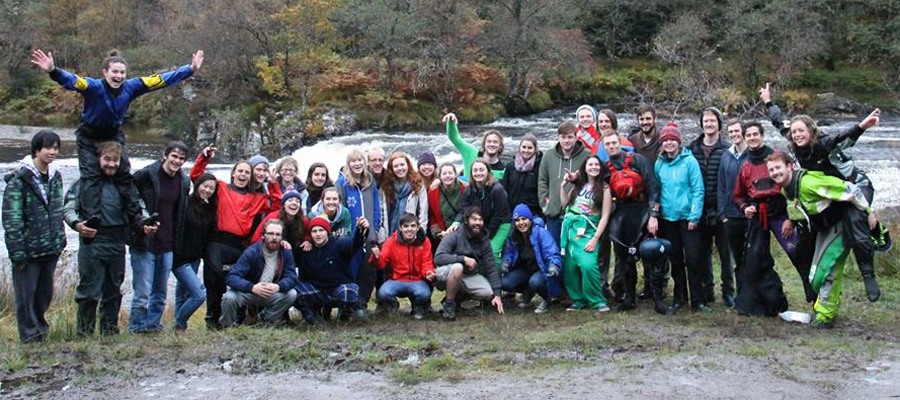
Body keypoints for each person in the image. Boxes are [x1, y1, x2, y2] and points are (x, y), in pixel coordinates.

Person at [31, 48, 202, 223]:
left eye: (122, 72)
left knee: (123, 174)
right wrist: (54, 71)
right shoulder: (93, 86)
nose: (118, 76)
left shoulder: (132, 86)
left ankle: (137, 217)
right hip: (89, 135)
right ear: (105, 72)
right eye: (114, 72)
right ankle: (92, 219)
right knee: (91, 176)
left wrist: (190, 69)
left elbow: (161, 80)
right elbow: (73, 81)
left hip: (113, 134)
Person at [761, 83, 882, 301]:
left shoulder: (823, 143)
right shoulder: (794, 142)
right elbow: (779, 121)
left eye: (802, 131)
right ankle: (811, 286)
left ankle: (868, 274)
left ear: (811, 131)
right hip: (832, 194)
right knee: (806, 236)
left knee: (854, 220)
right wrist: (768, 102)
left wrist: (863, 126)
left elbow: (842, 138)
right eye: (795, 132)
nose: (797, 134)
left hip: (856, 186)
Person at [768, 152, 878, 328]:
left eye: (778, 167)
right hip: (825, 228)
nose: (774, 172)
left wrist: (869, 212)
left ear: (789, 166)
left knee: (827, 271)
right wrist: (791, 220)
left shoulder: (808, 183)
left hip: (841, 225)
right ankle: (824, 310)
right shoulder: (786, 187)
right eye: (771, 170)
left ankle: (826, 316)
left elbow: (849, 189)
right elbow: (801, 206)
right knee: (815, 276)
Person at [65, 141, 155, 336]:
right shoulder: (84, 183)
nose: (111, 164)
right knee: (89, 292)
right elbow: (69, 208)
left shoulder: (125, 185)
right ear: (98, 159)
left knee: (113, 291)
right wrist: (77, 225)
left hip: (117, 242)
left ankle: (109, 333)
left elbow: (138, 207)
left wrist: (146, 222)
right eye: (107, 159)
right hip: (92, 242)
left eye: (115, 160)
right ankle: (84, 335)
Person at [189, 144, 282, 329]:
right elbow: (197, 177)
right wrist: (204, 157)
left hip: (238, 246)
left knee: (237, 281)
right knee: (214, 283)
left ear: (251, 177)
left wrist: (272, 183)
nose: (242, 175)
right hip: (216, 242)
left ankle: (235, 320)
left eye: (247, 173)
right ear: (233, 173)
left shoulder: (257, 198)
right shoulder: (221, 187)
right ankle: (212, 321)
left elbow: (277, 204)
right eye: (240, 171)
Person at [733, 122, 816, 309]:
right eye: (749, 135)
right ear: (745, 138)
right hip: (757, 216)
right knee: (755, 258)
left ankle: (816, 295)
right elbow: (738, 196)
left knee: (798, 254)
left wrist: (790, 218)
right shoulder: (745, 166)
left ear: (762, 136)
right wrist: (745, 207)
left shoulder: (775, 159)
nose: (752, 138)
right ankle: (761, 303)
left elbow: (791, 186)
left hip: (780, 213)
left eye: (756, 134)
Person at [2, 130, 66, 342]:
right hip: (28, 251)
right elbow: (12, 220)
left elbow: (58, 210)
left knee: (43, 296)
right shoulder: (19, 180)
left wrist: (60, 239)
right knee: (25, 298)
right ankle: (30, 339)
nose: (52, 152)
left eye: (55, 148)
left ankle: (41, 334)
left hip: (50, 247)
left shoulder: (56, 177)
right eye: (48, 147)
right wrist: (17, 252)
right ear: (36, 150)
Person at [600, 131, 666, 314]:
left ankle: (657, 298)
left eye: (614, 143)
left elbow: (653, 188)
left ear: (619, 142)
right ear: (604, 147)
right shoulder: (606, 168)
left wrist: (653, 215)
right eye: (608, 144)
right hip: (621, 214)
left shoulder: (637, 160)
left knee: (651, 255)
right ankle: (629, 298)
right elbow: (600, 192)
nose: (612, 146)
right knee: (625, 258)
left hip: (642, 211)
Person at [129, 141, 191, 334]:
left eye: (181, 158)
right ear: (165, 156)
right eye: (174, 156)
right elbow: (130, 202)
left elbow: (180, 214)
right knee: (142, 293)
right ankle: (137, 329)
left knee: (161, 293)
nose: (177, 161)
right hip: (144, 242)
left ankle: (153, 326)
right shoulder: (145, 175)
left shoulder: (184, 182)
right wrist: (141, 224)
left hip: (168, 243)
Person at [654, 123, 707, 314]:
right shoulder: (659, 163)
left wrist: (694, 216)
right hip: (668, 219)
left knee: (693, 259)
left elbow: (698, 190)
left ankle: (698, 299)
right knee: (675, 260)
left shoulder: (689, 161)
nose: (669, 143)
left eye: (672, 140)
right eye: (665, 140)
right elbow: (657, 189)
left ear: (678, 142)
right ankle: (679, 297)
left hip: (688, 218)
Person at [688, 107, 732, 305]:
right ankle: (708, 290)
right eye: (706, 121)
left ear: (719, 124)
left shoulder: (727, 149)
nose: (709, 124)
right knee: (703, 253)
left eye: (713, 121)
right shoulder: (692, 148)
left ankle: (728, 292)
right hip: (700, 209)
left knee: (725, 254)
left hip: (722, 209)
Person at [559, 156, 613, 313]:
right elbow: (565, 205)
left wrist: (595, 238)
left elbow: (605, 216)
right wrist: (563, 186)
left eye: (597, 164)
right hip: (571, 228)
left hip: (588, 228)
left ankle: (597, 300)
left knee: (588, 264)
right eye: (590, 164)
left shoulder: (604, 188)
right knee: (570, 266)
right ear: (585, 167)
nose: (594, 167)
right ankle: (577, 300)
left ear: (601, 168)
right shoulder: (578, 185)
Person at [220, 219, 298, 327]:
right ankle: (226, 327)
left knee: (291, 294)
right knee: (229, 297)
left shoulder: (285, 252)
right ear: (263, 236)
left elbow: (292, 277)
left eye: (278, 234)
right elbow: (232, 277)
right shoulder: (252, 251)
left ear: (282, 237)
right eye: (270, 234)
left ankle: (266, 320)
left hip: (271, 292)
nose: (274, 237)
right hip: (250, 291)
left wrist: (278, 286)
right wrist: (252, 287)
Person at [294, 216, 371, 324]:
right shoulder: (305, 249)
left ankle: (344, 316)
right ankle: (313, 317)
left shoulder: (339, 244)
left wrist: (361, 230)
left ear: (327, 232)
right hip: (317, 291)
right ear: (310, 234)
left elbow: (355, 243)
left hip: (336, 289)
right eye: (314, 231)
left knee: (350, 290)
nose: (318, 234)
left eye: (321, 230)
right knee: (294, 290)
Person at [433, 207, 505, 320]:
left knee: (487, 293)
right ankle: (449, 305)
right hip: (446, 273)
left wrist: (497, 295)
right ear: (466, 221)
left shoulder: (484, 239)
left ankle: (455, 299)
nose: (478, 223)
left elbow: (491, 266)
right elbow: (438, 258)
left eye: (480, 220)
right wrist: (463, 259)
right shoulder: (454, 234)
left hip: (468, 275)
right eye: (474, 219)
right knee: (458, 268)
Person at [335, 149, 381, 318]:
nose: (357, 164)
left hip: (369, 235)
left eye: (360, 160)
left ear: (364, 162)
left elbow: (376, 208)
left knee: (368, 270)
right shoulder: (342, 183)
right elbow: (339, 209)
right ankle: (346, 305)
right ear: (349, 163)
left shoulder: (370, 182)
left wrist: (374, 230)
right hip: (350, 236)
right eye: (353, 161)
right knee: (350, 269)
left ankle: (361, 304)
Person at [171, 173, 217, 332]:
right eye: (205, 186)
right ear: (197, 185)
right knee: (199, 294)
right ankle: (179, 323)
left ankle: (177, 334)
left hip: (195, 258)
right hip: (179, 258)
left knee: (182, 295)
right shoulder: (185, 203)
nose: (208, 190)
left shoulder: (209, 207)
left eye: (211, 188)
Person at [448, 158, 511, 268]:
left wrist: (487, 235)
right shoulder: (470, 189)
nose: (478, 173)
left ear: (488, 171)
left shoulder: (497, 189)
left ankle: (499, 280)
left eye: (481, 170)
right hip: (482, 223)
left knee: (491, 251)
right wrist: (456, 223)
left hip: (501, 224)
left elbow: (499, 215)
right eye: (475, 170)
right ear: (471, 173)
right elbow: (464, 210)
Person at [501, 204, 563, 314]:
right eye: (517, 220)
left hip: (542, 269)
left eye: (524, 219)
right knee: (506, 283)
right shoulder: (513, 236)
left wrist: (554, 265)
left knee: (535, 282)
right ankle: (527, 292)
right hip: (525, 269)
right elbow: (508, 254)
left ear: (530, 219)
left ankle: (547, 299)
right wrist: (506, 263)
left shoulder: (540, 232)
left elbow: (552, 251)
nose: (521, 223)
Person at [372, 213, 436, 319]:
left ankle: (418, 307)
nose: (409, 229)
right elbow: (381, 263)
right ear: (401, 228)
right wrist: (376, 257)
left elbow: (427, 262)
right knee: (383, 293)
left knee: (424, 293)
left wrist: (428, 272)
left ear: (418, 227)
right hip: (396, 280)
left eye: (412, 226)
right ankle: (393, 306)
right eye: (406, 226)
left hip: (417, 281)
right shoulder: (391, 242)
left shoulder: (425, 241)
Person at [538, 120, 590, 244]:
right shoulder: (548, 156)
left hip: (578, 214)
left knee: (575, 252)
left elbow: (592, 181)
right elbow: (542, 180)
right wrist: (546, 205)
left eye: (570, 137)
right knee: (553, 250)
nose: (566, 141)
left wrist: (577, 179)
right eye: (563, 137)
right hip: (554, 214)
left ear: (576, 137)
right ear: (558, 137)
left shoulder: (586, 156)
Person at [716, 118, 748, 307]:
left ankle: (753, 294)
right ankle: (741, 296)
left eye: (737, 131)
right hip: (731, 215)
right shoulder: (726, 156)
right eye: (732, 132)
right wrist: (723, 213)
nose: (735, 135)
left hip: (749, 215)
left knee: (751, 257)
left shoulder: (752, 154)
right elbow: (721, 186)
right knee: (736, 258)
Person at [378, 151, 428, 243]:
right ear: (391, 169)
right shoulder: (385, 185)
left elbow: (423, 212)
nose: (400, 168)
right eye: (396, 166)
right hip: (389, 233)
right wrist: (381, 236)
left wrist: (421, 234)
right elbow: (382, 212)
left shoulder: (418, 184)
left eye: (402, 165)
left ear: (408, 165)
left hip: (411, 232)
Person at [442, 112, 506, 180]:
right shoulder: (470, 152)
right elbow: (454, 138)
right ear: (484, 144)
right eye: (489, 141)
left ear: (500, 147)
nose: (491, 144)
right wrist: (451, 122)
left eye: (495, 142)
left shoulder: (503, 170)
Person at [501, 134, 542, 217]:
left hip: (533, 213)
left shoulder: (540, 167)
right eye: (524, 147)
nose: (526, 150)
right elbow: (504, 190)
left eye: (530, 148)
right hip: (512, 213)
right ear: (519, 148)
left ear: (535, 149)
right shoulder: (510, 166)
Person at [427, 163, 466, 247]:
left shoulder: (465, 190)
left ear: (456, 175)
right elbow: (432, 214)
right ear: (440, 176)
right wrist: (437, 232)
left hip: (463, 234)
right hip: (443, 235)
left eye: (450, 173)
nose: (447, 176)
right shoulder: (433, 192)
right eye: (444, 173)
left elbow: (467, 211)